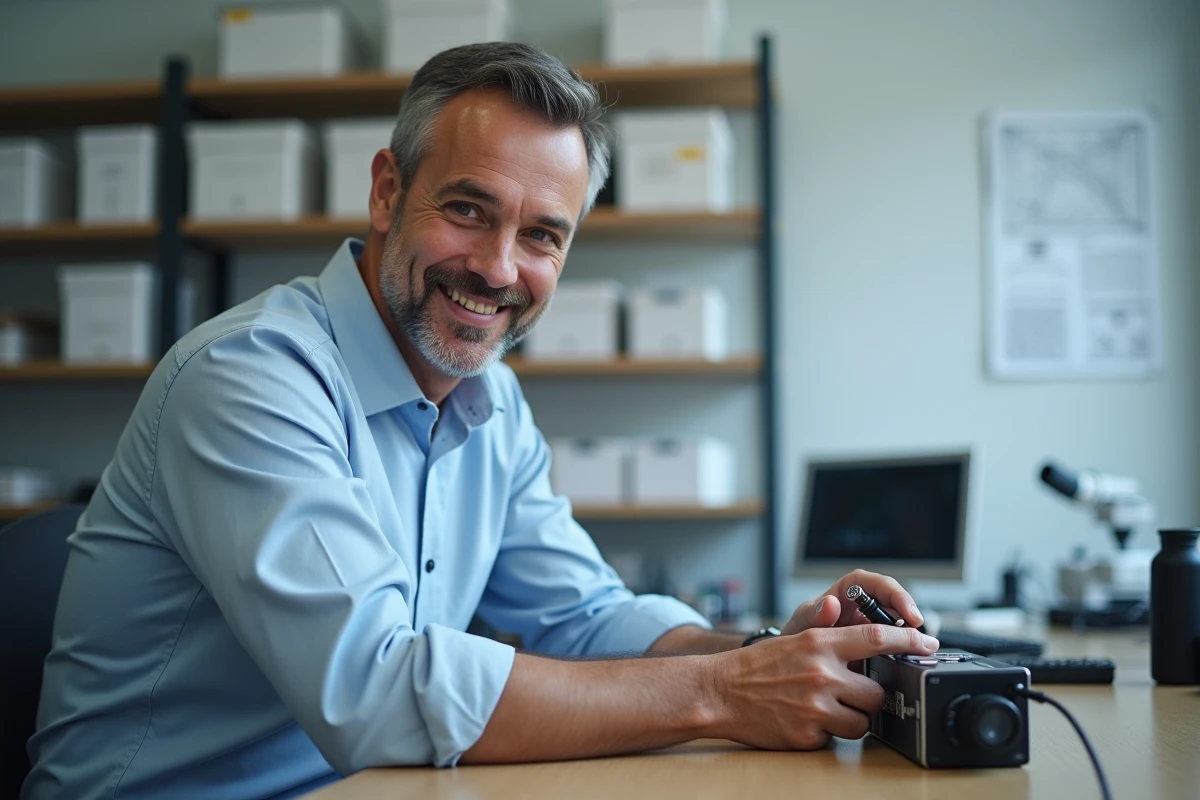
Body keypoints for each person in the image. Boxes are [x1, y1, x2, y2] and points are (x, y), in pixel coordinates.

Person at [23, 42, 938, 800]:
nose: (499, 269)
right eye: (468, 210)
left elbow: (582, 616)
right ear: (388, 191)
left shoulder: (489, 401)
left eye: (542, 235)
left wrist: (774, 652)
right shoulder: (251, 376)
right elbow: (376, 692)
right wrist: (723, 692)